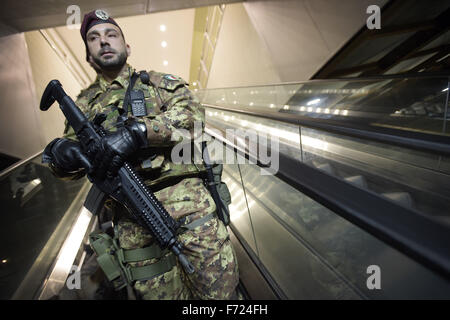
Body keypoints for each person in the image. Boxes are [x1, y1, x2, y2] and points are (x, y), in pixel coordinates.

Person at [43, 9, 240, 300]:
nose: (104, 42)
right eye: (94, 38)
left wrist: (140, 132)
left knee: (220, 297)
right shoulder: (82, 104)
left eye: (112, 35)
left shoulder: (158, 82)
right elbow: (64, 164)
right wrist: (60, 153)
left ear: (127, 46)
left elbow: (194, 118)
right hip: (131, 223)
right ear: (88, 55)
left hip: (189, 207)